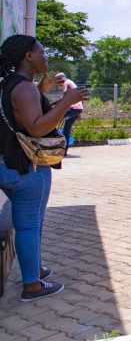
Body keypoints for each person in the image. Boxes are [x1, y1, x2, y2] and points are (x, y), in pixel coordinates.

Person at [0, 34, 89, 301]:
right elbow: (36, 126)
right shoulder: (24, 88)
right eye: (41, 51)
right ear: (28, 55)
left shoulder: (11, 85)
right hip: (27, 169)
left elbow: (20, 115)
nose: (45, 56)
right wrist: (67, 100)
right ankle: (32, 286)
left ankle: (34, 268)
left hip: (8, 166)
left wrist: (41, 89)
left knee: (28, 223)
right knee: (29, 226)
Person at [54, 73, 83, 156]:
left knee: (54, 122)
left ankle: (53, 145)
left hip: (73, 109)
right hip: (77, 109)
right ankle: (64, 152)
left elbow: (65, 99)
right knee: (66, 130)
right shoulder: (70, 82)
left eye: (58, 80)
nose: (57, 82)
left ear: (62, 78)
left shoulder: (66, 83)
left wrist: (54, 105)